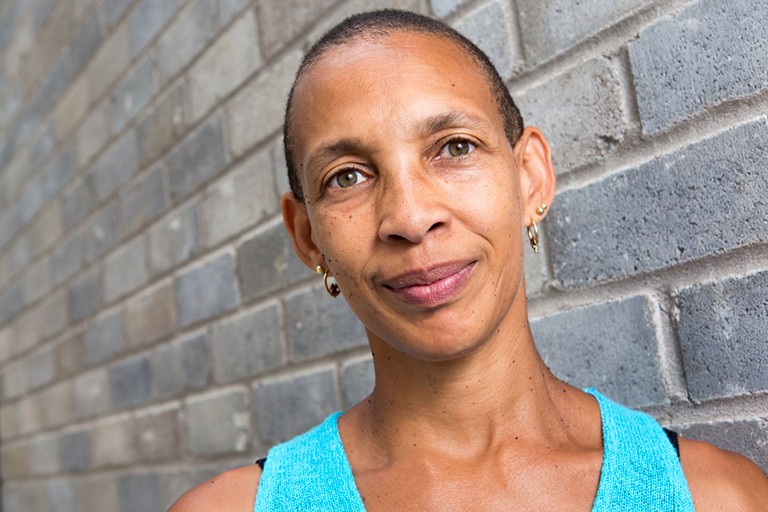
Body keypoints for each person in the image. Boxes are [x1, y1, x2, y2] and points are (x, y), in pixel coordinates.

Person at [170, 9, 768, 511]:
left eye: (455, 147)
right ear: (307, 237)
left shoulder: (718, 497)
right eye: (346, 176)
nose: (408, 216)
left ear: (530, 179)